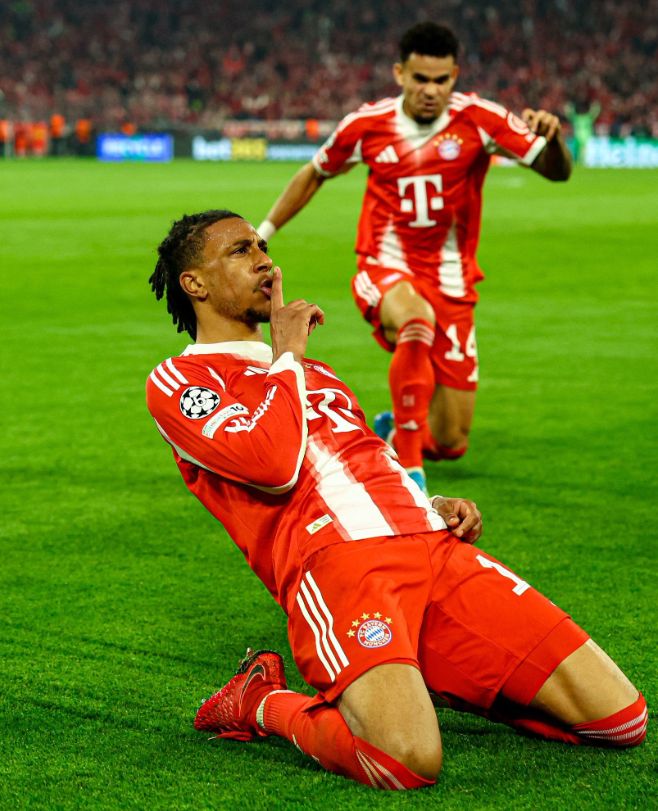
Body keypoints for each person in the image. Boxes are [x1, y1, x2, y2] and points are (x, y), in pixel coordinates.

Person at [145, 209, 645, 791]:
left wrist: (428, 504)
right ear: (195, 284)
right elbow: (272, 465)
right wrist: (287, 357)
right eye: (240, 250)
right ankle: (261, 701)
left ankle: (424, 677)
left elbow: (363, 459)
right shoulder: (183, 381)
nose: (264, 259)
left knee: (621, 720)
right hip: (341, 564)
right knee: (402, 761)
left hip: (432, 548)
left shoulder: (319, 373)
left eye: (261, 245)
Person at [257, 22, 573, 492]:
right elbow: (315, 172)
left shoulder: (480, 119)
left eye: (441, 80)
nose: (431, 90)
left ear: (454, 76)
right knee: (415, 319)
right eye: (420, 79)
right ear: (400, 74)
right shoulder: (367, 124)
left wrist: (554, 140)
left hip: (452, 282)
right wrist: (263, 232)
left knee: (450, 440)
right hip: (385, 267)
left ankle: (395, 428)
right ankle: (410, 469)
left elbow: (557, 172)